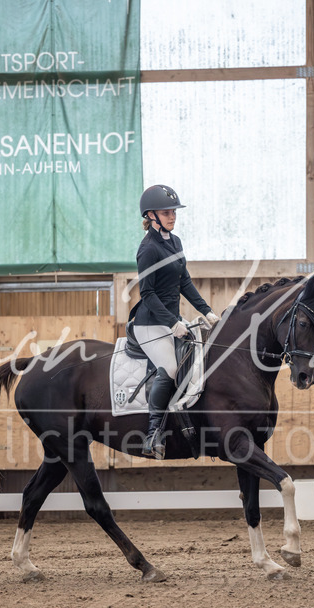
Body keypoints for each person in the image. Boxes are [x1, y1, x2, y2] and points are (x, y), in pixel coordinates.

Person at [133, 184, 220, 457]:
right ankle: (152, 435)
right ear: (151, 215)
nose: (172, 217)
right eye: (166, 212)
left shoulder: (176, 242)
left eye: (173, 212)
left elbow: (185, 282)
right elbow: (147, 293)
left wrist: (207, 311)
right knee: (170, 368)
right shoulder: (148, 249)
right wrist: (172, 323)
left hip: (172, 319)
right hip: (150, 324)